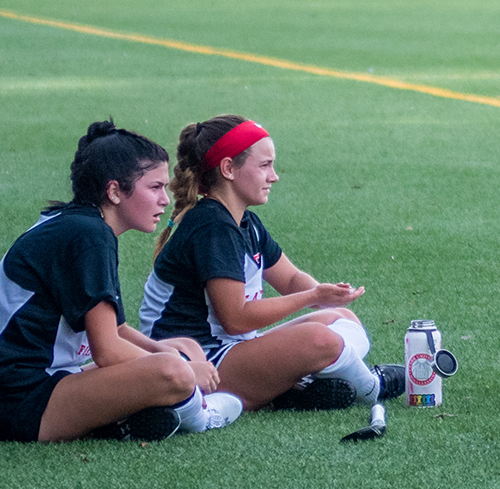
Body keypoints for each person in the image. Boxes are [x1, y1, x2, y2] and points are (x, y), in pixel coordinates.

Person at [0, 120, 244, 443]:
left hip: (31, 388)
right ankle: (200, 413)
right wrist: (183, 370)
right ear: (113, 191)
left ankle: (125, 422)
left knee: (183, 347)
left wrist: (161, 348)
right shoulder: (89, 235)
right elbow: (107, 352)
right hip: (17, 402)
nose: (165, 199)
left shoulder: (79, 225)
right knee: (173, 370)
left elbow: (116, 329)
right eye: (154, 187)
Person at [142, 115, 403, 411]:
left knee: (340, 319)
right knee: (319, 340)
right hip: (196, 362)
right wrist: (312, 297)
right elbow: (236, 318)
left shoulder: (244, 221)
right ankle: (370, 387)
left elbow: (290, 279)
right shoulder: (212, 225)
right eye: (265, 165)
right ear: (228, 168)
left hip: (230, 349)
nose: (274, 176)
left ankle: (293, 386)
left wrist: (326, 295)